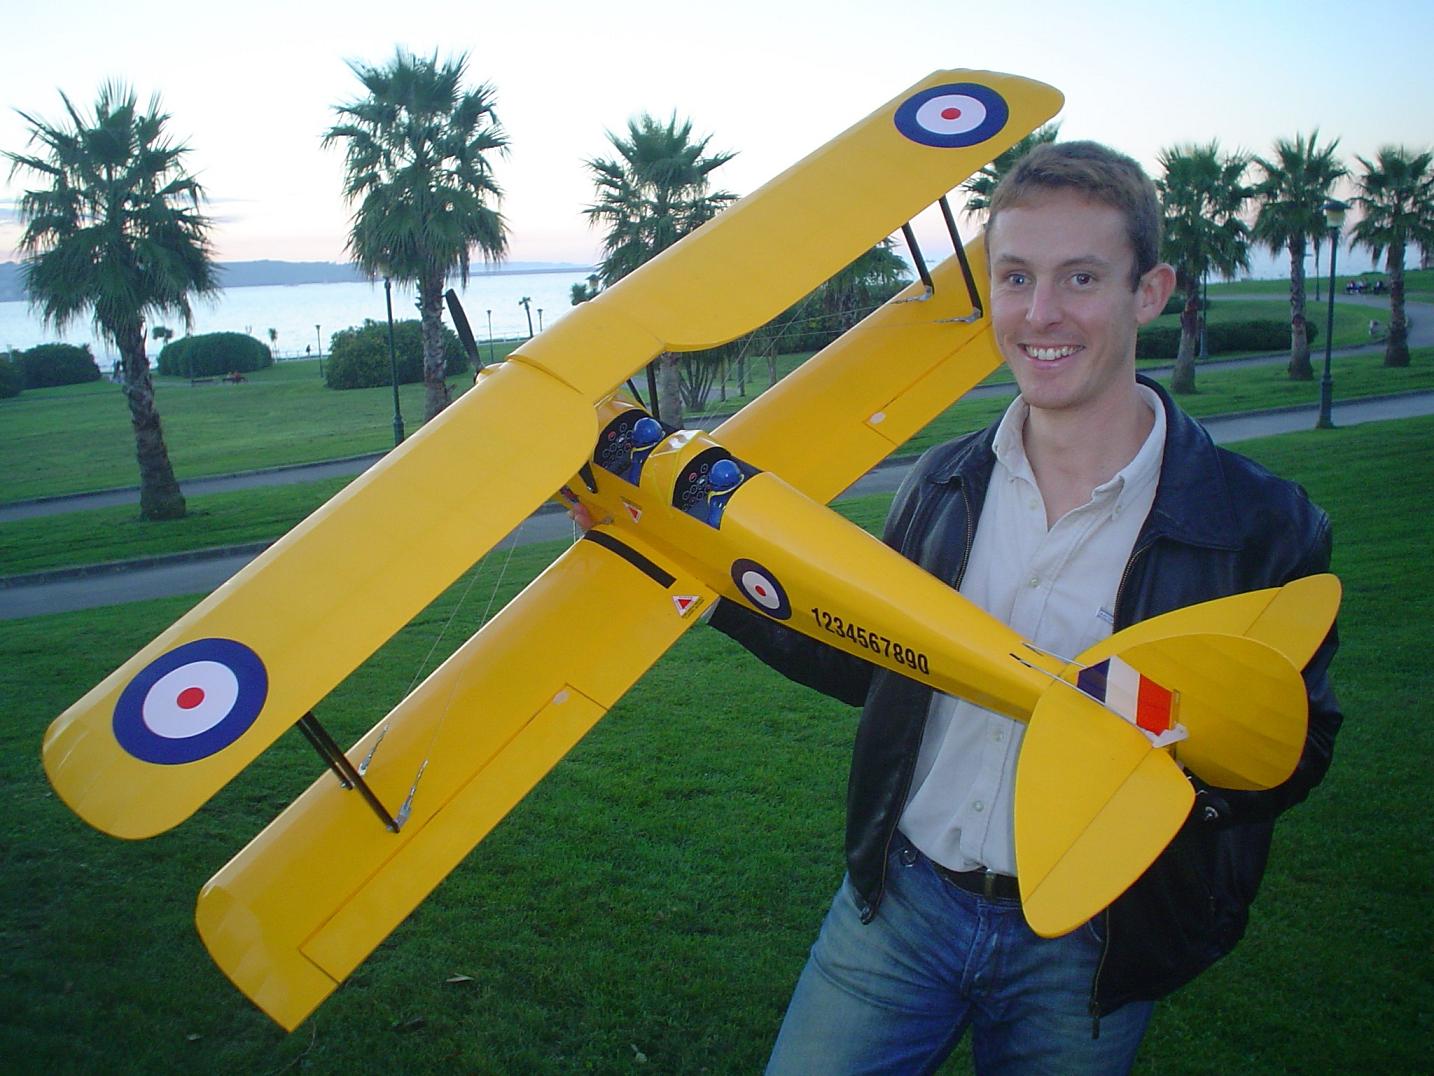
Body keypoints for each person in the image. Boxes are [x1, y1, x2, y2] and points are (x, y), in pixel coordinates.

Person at [708, 141, 1341, 1073]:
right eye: (1015, 277)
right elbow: (874, 661)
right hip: (903, 907)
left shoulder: (1260, 525)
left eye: (1080, 277)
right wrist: (716, 579)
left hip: (1091, 941)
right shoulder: (943, 482)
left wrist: (1170, 758)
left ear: (1150, 291)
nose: (1040, 314)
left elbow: (1292, 747)